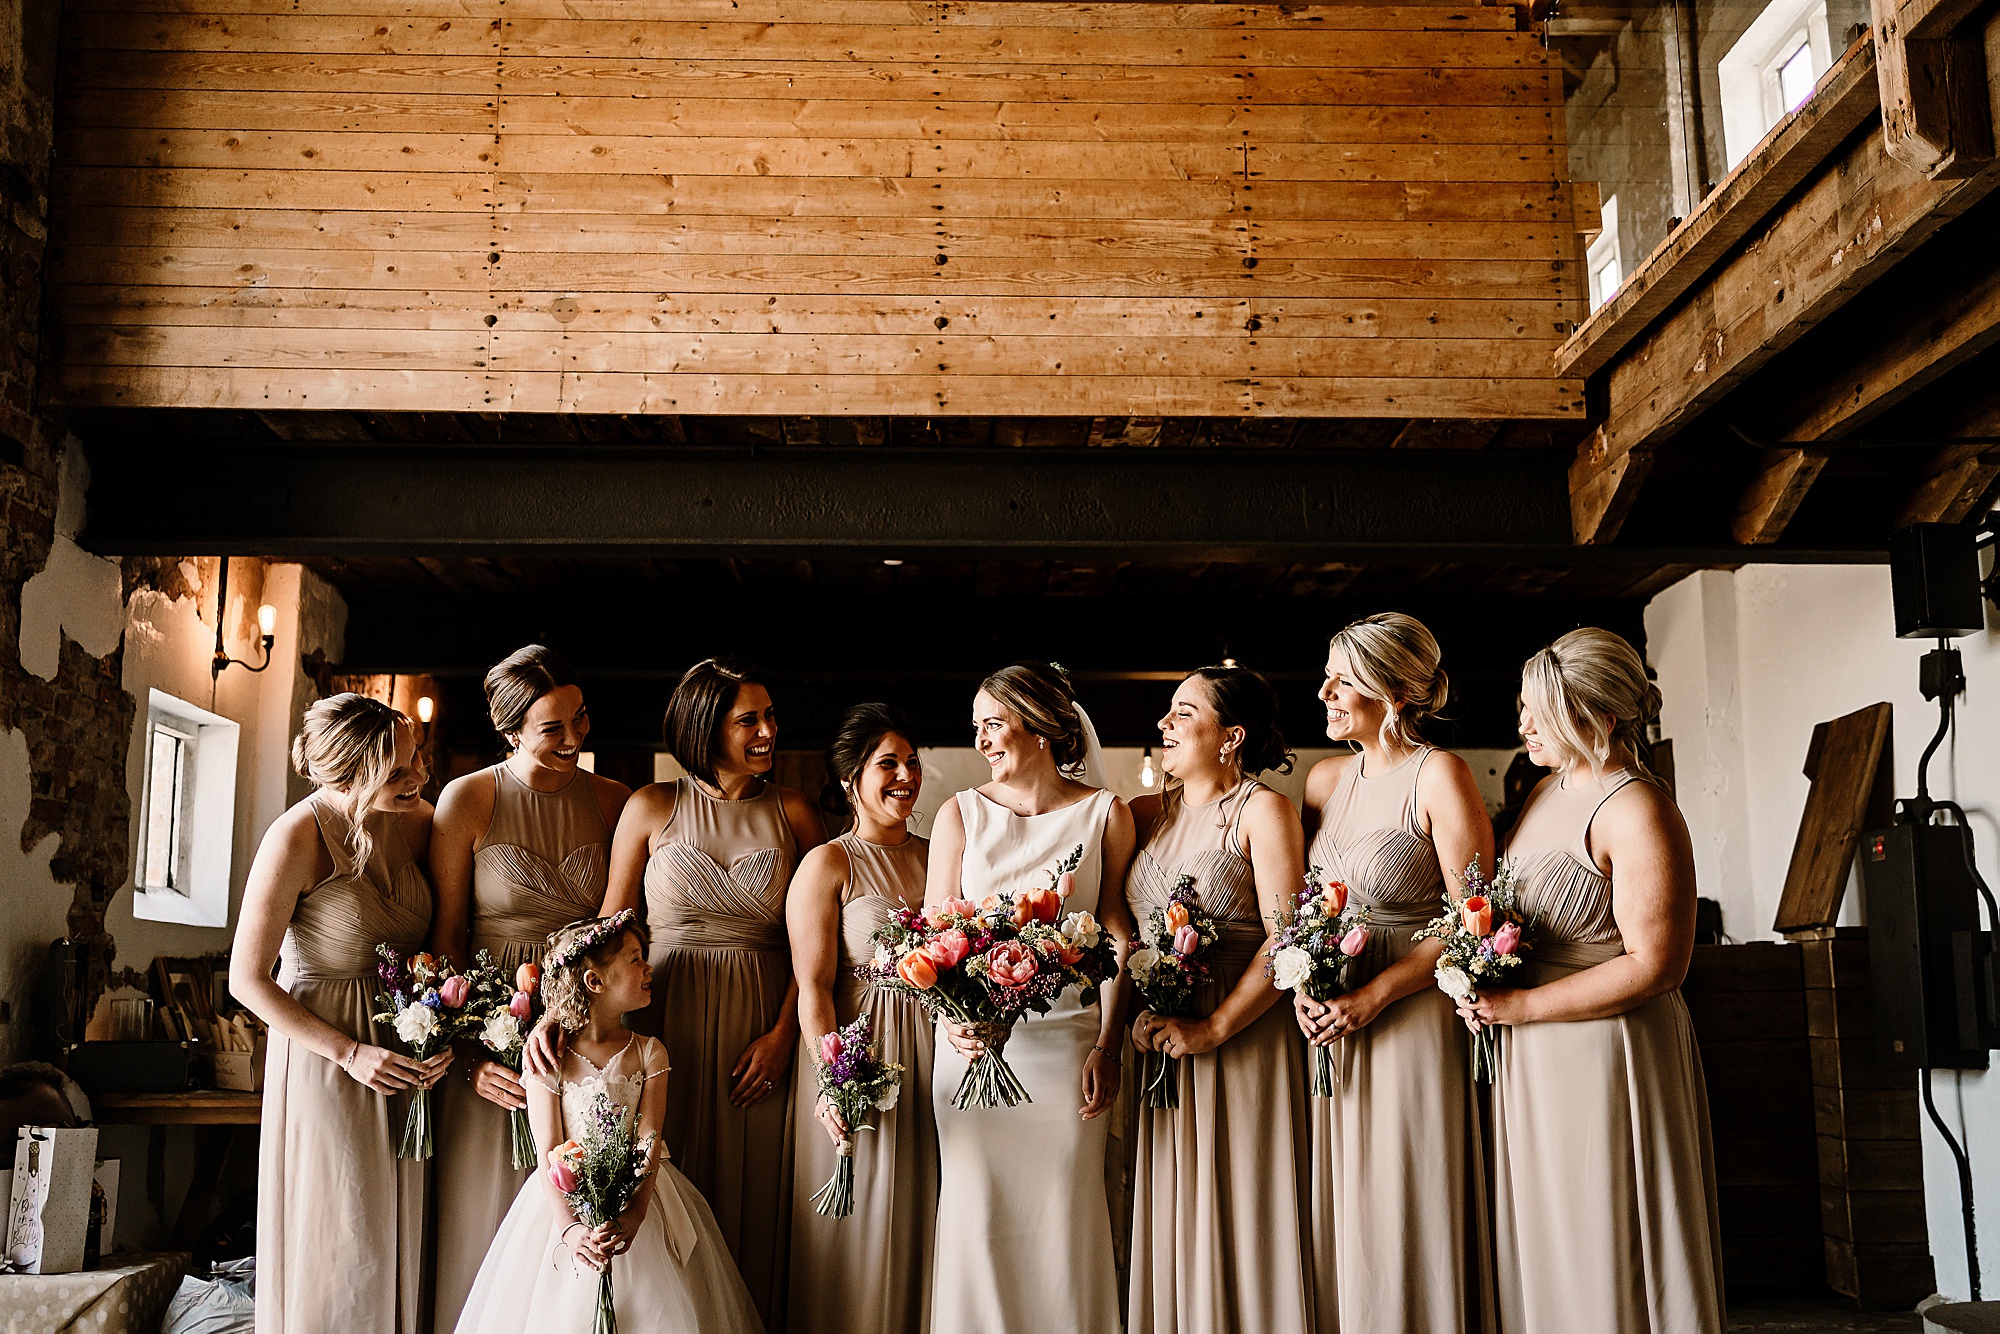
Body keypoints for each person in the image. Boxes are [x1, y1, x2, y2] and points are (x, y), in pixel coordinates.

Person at [1458, 628, 1725, 1333]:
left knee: (1606, 1235)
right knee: (1548, 1240)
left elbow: (1659, 964)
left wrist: (1521, 1006)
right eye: (1524, 707)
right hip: (1534, 1050)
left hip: (1609, 1054)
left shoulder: (1638, 808)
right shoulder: (1546, 791)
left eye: (1542, 710)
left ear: (1602, 717)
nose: (1524, 724)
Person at [596, 656, 824, 1326]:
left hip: (762, 1022)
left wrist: (787, 1036)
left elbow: (815, 946)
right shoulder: (652, 805)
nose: (767, 730)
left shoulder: (795, 812)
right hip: (665, 1015)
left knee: (757, 1188)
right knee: (663, 1172)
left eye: (771, 716)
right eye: (748, 719)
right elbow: (611, 925)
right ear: (704, 727)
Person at [1294, 612, 1496, 1332]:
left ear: (1394, 693)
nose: (1323, 691)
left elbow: (1471, 918)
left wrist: (1379, 992)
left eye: (1342, 680)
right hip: (1333, 1021)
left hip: (1410, 1014)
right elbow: (1305, 910)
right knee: (1349, 1198)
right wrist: (1304, 988)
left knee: (1410, 1190)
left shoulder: (1440, 774)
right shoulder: (1321, 781)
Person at [925, 663, 1137, 1334]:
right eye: (977, 726)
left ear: (1041, 726)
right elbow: (934, 940)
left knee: (1064, 1214)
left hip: (1069, 1048)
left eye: (995, 723)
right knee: (976, 1211)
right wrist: (956, 1020)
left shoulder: (1108, 814)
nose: (983, 740)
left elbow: (1116, 935)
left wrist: (1108, 1044)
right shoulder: (960, 813)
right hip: (973, 1046)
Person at [229, 695, 448, 1334]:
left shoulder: (415, 821)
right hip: (330, 1061)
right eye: (400, 772)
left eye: (416, 763)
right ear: (350, 776)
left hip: (407, 1056)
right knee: (344, 1235)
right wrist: (349, 1054)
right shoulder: (297, 836)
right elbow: (247, 979)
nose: (419, 779)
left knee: (397, 1233)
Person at [428, 645, 630, 1332]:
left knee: (586, 1208)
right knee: (487, 1214)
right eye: (553, 729)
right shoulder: (469, 799)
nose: (575, 738)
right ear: (509, 732)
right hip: (493, 1032)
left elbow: (617, 930)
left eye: (579, 719)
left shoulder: (612, 802)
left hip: (583, 1033)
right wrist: (470, 1060)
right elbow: (447, 943)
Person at [453, 913, 762, 1334]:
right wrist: (569, 1229)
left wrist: (634, 1216)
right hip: (566, 1200)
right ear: (595, 982)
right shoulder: (550, 1060)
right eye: (635, 959)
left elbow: (650, 1139)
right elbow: (548, 1151)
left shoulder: (650, 1053)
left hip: (642, 1196)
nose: (648, 967)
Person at [1125, 666, 1314, 1333]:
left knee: (1243, 1205)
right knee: (1175, 1212)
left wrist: (1216, 1028)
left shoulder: (1264, 811)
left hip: (1240, 1036)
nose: (1163, 726)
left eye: (1182, 714)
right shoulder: (1147, 814)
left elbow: (1286, 938)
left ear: (1231, 736)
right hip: (1160, 1045)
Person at [786, 704, 936, 1334]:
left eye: (912, 763)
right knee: (860, 1220)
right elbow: (814, 987)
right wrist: (833, 1079)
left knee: (928, 1212)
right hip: (858, 1054)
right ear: (851, 780)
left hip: (936, 1050)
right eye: (888, 764)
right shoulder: (828, 864)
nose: (905, 775)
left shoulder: (938, 855)